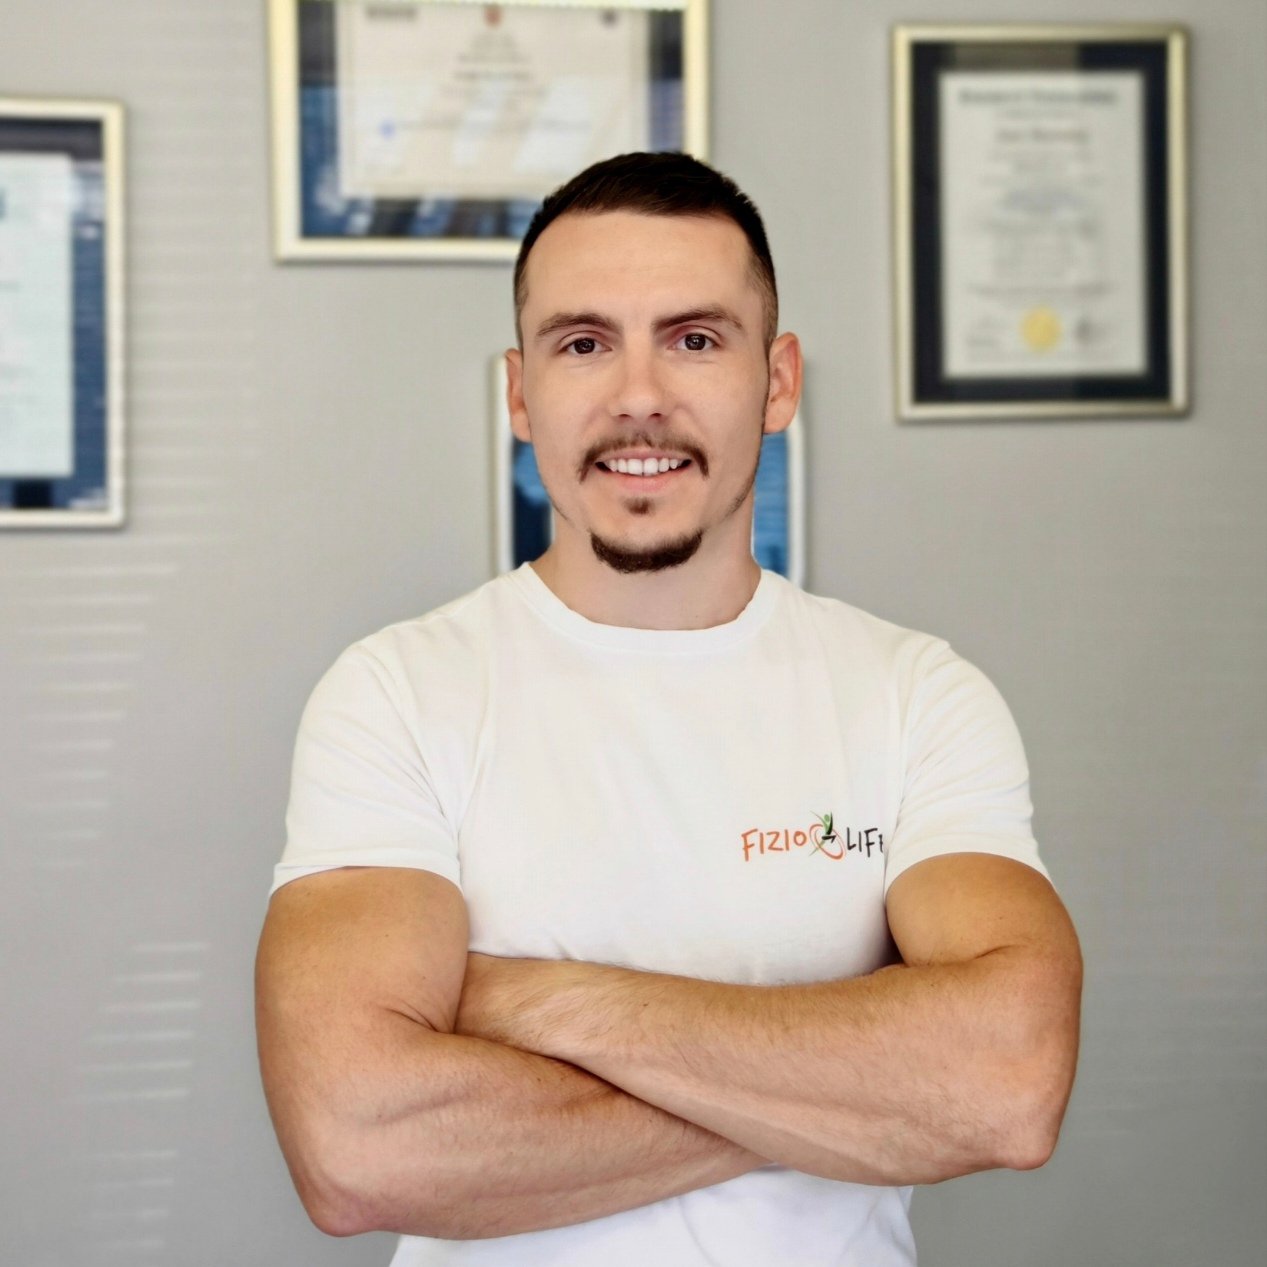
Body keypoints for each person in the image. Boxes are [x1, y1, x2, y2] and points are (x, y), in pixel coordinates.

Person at [255, 152, 1082, 1267]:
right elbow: (358, 1147)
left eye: (694, 339)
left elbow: (1006, 1082)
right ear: (520, 393)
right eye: (583, 343)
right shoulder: (399, 692)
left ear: (776, 381)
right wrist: (845, 1089)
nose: (638, 396)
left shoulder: (915, 695)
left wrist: (532, 1003)